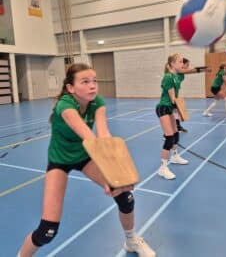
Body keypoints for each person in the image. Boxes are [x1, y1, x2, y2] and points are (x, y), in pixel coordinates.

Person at [18, 63, 155, 257]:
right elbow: (89, 138)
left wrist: (117, 175)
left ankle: (131, 240)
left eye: (94, 81)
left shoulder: (97, 102)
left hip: (84, 156)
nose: (93, 86)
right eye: (85, 82)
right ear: (71, 88)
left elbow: (104, 135)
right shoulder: (65, 105)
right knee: (47, 230)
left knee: (125, 197)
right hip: (60, 160)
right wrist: (109, 173)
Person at [155, 54, 190, 180]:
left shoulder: (177, 76)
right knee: (169, 137)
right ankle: (162, 168)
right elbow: (173, 99)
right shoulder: (168, 77)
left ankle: (174, 156)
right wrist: (181, 111)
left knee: (176, 134)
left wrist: (177, 114)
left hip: (170, 108)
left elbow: (186, 71)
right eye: (180, 62)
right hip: (164, 108)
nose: (182, 64)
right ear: (172, 64)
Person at [175, 57, 210, 132]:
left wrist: (204, 68)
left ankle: (177, 126)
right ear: (182, 64)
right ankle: (168, 131)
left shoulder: (182, 71)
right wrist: (204, 70)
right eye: (187, 64)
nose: (188, 66)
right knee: (172, 111)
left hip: (175, 93)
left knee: (176, 110)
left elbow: (191, 69)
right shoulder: (178, 69)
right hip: (170, 93)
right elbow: (191, 70)